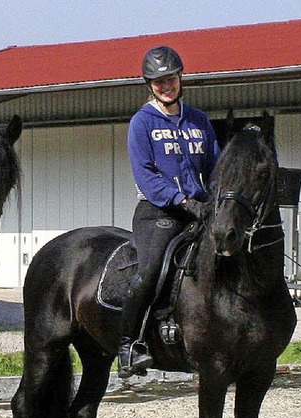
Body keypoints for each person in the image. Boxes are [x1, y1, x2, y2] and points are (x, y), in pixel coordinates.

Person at [118, 45, 220, 379]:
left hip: (200, 209)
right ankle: (129, 344)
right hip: (158, 210)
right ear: (150, 84)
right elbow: (146, 176)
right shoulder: (142, 123)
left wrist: (212, 201)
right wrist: (182, 200)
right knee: (150, 271)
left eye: (171, 79)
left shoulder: (199, 120)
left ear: (180, 78)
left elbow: (215, 166)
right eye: (159, 81)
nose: (166, 86)